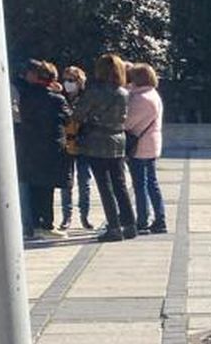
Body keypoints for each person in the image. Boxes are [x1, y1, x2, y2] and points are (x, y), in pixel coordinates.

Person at [70, 53, 136, 242]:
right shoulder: (123, 92)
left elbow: (78, 114)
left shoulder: (95, 91)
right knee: (120, 184)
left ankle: (113, 227)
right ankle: (129, 224)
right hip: (118, 139)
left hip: (97, 140)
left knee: (104, 185)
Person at [12, 59, 70, 241]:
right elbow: (69, 118)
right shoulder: (57, 99)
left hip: (29, 147)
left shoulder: (26, 96)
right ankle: (47, 225)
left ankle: (35, 225)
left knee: (34, 187)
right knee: (47, 188)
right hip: (51, 148)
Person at [124, 62, 168, 234]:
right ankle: (160, 218)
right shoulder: (153, 94)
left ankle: (142, 220)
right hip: (151, 144)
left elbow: (128, 123)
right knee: (152, 183)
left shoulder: (140, 99)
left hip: (140, 146)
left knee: (140, 185)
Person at [59, 65, 94, 231]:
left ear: (79, 82)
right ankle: (66, 217)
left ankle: (85, 216)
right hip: (66, 144)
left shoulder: (87, 98)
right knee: (66, 182)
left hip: (84, 144)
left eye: (71, 80)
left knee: (84, 182)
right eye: (65, 80)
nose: (67, 83)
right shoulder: (60, 97)